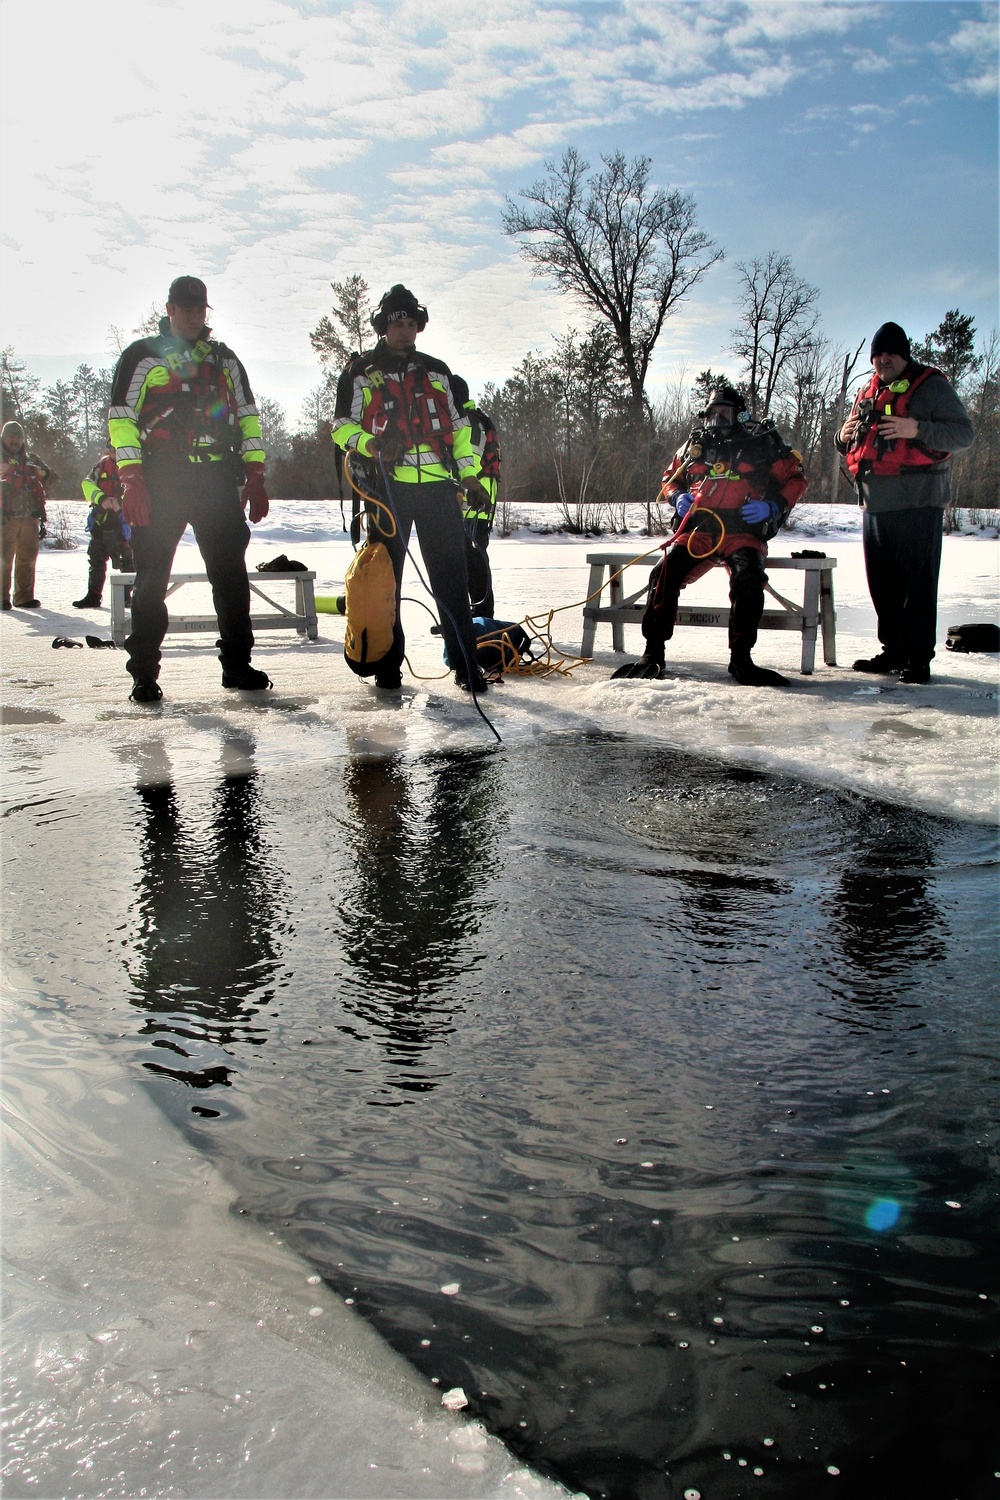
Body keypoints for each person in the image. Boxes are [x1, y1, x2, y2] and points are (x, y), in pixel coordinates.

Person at [107, 275, 271, 704]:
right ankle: (143, 672)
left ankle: (237, 665)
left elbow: (249, 417)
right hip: (161, 478)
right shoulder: (140, 356)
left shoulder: (224, 360)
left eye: (201, 310)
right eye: (186, 309)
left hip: (215, 478)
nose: (195, 317)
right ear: (170, 310)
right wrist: (132, 479)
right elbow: (121, 419)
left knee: (231, 576)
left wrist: (256, 474)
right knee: (151, 580)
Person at [331, 284, 492, 693]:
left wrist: (470, 475)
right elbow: (340, 427)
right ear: (383, 327)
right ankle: (388, 668)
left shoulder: (438, 371)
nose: (404, 331)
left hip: (439, 488)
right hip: (387, 490)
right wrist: (371, 444)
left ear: (417, 326)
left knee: (451, 581)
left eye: (409, 323)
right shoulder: (359, 372)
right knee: (387, 582)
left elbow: (459, 431)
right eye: (395, 324)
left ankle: (465, 665)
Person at [612, 386, 808, 686]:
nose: (716, 420)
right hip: (699, 530)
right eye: (711, 414)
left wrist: (773, 505)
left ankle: (741, 659)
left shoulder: (762, 443)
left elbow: (796, 478)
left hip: (742, 531)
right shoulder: (696, 444)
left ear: (739, 415)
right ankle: (653, 652)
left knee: (749, 579)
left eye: (724, 414)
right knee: (663, 572)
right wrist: (677, 496)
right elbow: (671, 478)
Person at [836, 321, 975, 684]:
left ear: (904, 355)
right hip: (876, 503)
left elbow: (964, 434)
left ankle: (917, 658)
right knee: (883, 585)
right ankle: (893, 650)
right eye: (877, 355)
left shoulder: (931, 387)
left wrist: (917, 429)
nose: (883, 361)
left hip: (918, 502)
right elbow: (853, 440)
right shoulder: (869, 390)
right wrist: (841, 436)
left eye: (890, 354)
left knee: (918, 584)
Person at [452, 375, 501, 619]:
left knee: (471, 566)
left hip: (470, 508)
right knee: (473, 564)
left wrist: (458, 493)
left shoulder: (467, 423)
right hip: (478, 507)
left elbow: (467, 462)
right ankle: (472, 618)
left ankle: (479, 619)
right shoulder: (478, 419)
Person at [73, 444, 134, 608]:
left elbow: (139, 490)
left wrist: (119, 504)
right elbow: (87, 484)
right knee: (96, 559)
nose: (114, 451)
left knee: (128, 560)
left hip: (124, 521)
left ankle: (126, 597)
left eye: (117, 448)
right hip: (102, 519)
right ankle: (93, 596)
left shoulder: (132, 465)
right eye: (111, 448)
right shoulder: (100, 466)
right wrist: (102, 499)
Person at [1, 420, 50, 610]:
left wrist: (40, 473)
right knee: (2, 558)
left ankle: (24, 597)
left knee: (28, 557)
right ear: (3, 438)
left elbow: (52, 477)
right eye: (11, 436)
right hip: (5, 517)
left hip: (30, 517)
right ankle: (1, 598)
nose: (15, 440)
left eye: (18, 436)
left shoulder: (32, 459)